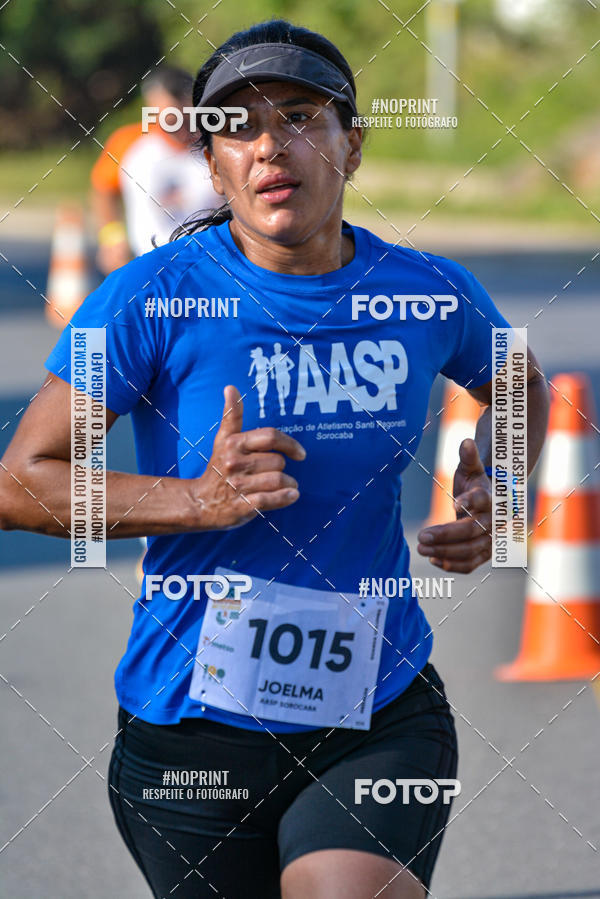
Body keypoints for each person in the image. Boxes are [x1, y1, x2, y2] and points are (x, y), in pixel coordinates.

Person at [0, 19, 550, 899]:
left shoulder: (429, 292)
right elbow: (22, 479)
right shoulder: (144, 301)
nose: (269, 147)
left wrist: (503, 483)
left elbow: (520, 388)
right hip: (188, 732)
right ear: (212, 165)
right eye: (236, 128)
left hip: (377, 712)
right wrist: (195, 501)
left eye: (299, 116)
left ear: (353, 145)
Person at [91, 64, 220, 275]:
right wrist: (112, 238)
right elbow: (103, 190)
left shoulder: (217, 143)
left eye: (181, 116)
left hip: (209, 267)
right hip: (147, 267)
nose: (175, 125)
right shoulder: (128, 142)